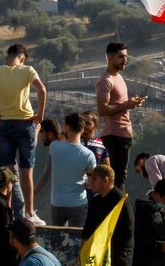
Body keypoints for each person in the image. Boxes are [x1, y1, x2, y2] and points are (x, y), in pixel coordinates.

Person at [0, 44, 48, 226]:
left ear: (8, 57)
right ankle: (29, 213)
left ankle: (8, 212)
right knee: (26, 172)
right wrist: (40, 114)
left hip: (5, 123)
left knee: (7, 172)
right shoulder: (27, 70)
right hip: (25, 123)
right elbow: (42, 90)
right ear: (22, 58)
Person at [96, 42, 145, 190]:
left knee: (120, 177)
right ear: (110, 57)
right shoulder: (106, 80)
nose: (125, 60)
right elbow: (102, 110)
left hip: (123, 134)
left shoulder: (118, 77)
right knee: (116, 180)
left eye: (126, 57)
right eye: (121, 57)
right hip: (114, 137)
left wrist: (132, 103)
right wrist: (126, 105)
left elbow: (120, 104)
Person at [47, 113, 96, 227]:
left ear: (67, 127)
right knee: (76, 239)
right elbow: (91, 184)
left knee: (56, 239)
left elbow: (60, 139)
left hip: (57, 202)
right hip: (78, 203)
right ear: (83, 130)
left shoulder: (54, 147)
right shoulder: (88, 155)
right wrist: (85, 181)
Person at [84, 165, 134, 266]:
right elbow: (88, 228)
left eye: (94, 179)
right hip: (97, 255)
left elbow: (127, 233)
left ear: (105, 180)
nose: (90, 182)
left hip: (118, 257)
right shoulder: (95, 201)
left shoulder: (122, 202)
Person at [134, 177, 165, 266]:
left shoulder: (164, 207)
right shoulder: (142, 209)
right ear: (157, 194)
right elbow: (137, 238)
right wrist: (158, 246)